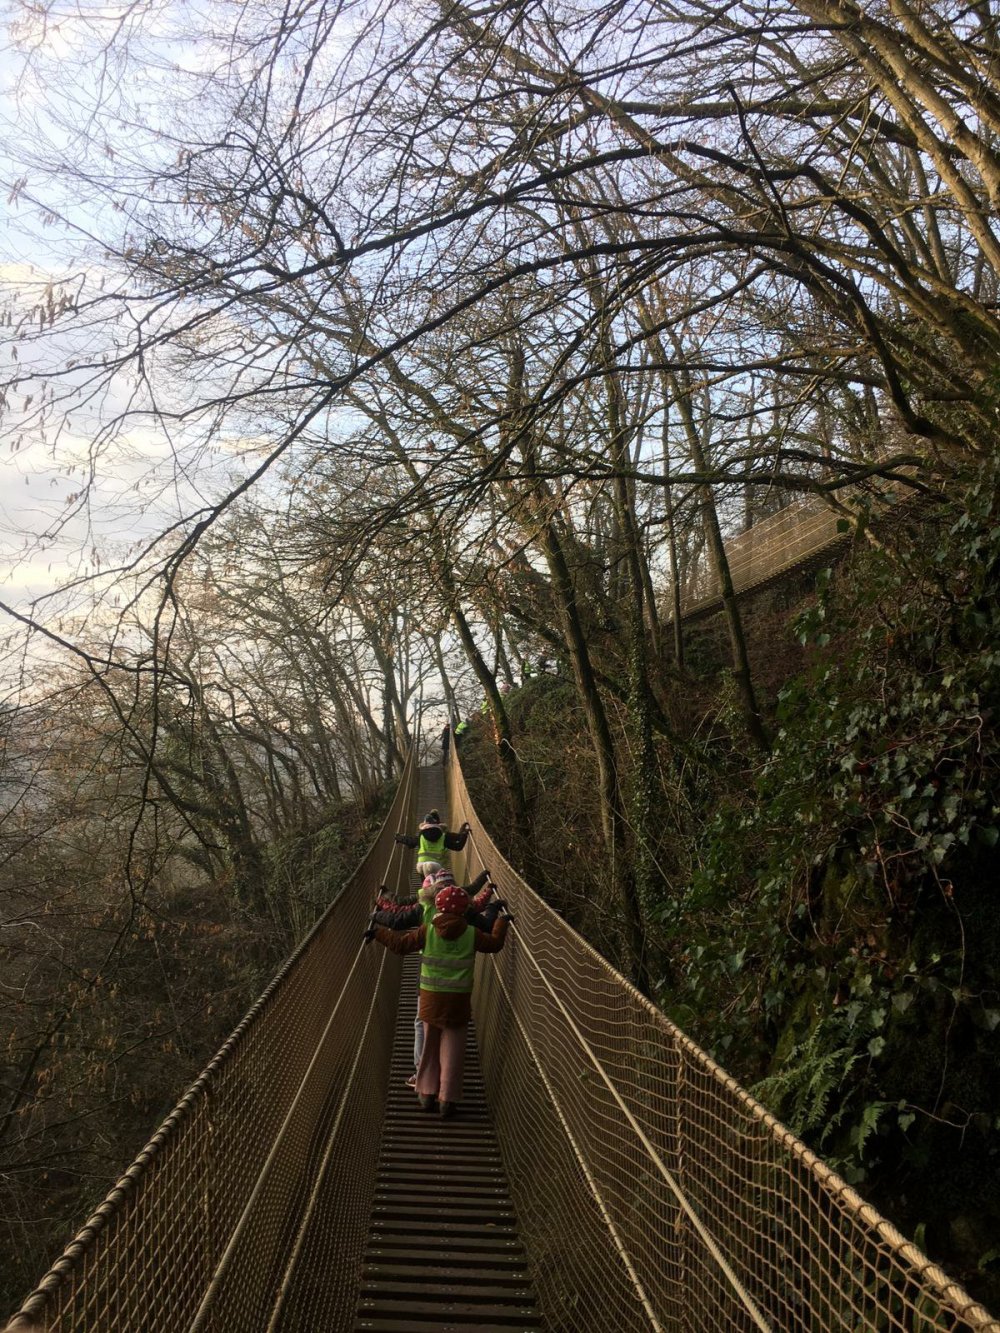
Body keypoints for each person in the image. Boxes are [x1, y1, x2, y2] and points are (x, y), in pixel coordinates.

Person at [369, 883, 509, 1117]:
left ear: (438, 907)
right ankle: (447, 1099)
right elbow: (495, 944)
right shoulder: (472, 934)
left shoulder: (428, 931)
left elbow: (401, 946)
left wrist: (378, 933)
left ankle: (426, 1093)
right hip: (458, 1003)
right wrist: (502, 922)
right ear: (464, 910)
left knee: (430, 1046)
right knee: (453, 1049)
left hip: (430, 1000)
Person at [394, 809, 470, 878]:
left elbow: (410, 841)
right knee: (439, 884)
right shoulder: (443, 836)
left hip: (421, 866)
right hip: (437, 866)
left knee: (426, 886)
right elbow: (458, 846)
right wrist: (465, 833)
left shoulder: (421, 836)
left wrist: (399, 838)